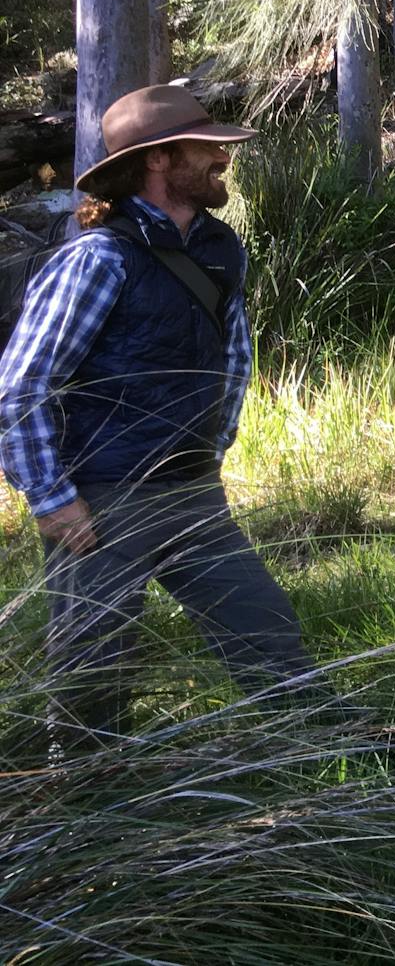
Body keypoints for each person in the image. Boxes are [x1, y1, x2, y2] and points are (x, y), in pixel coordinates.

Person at [0, 84, 318, 749]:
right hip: (100, 504)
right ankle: (86, 807)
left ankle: (339, 757)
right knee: (93, 671)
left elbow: (232, 357)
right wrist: (53, 499)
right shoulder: (99, 259)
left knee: (266, 632)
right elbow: (21, 386)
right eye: (207, 147)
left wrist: (211, 449)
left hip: (193, 494)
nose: (223, 157)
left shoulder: (219, 249)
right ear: (158, 160)